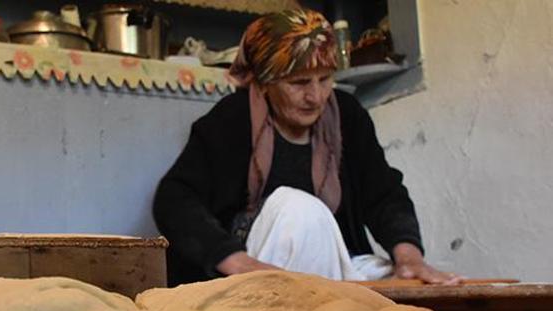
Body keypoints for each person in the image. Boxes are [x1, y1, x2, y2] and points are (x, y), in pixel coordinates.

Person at [153, 9, 459, 287]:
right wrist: (238, 262)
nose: (316, 96)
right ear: (266, 82)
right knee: (299, 210)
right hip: (256, 269)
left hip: (330, 266)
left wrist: (409, 259)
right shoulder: (232, 118)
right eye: (299, 83)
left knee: (415, 282)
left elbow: (383, 193)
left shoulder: (346, 115)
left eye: (325, 79)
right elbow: (175, 198)